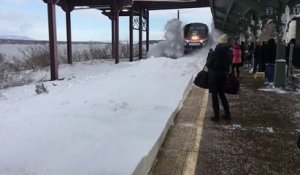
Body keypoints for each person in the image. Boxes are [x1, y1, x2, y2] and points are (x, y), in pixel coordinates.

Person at [206, 34, 231, 122]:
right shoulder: (228, 52)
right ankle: (227, 114)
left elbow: (208, 65)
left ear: (219, 42)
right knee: (222, 95)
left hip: (214, 77)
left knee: (214, 97)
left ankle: (216, 117)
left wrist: (209, 55)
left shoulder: (215, 52)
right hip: (223, 76)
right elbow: (228, 64)